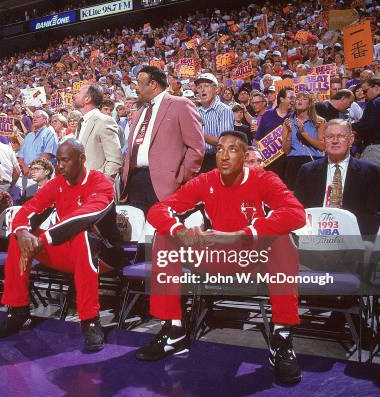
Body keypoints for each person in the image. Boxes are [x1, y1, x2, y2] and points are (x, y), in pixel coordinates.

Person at [139, 131, 306, 385]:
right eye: (219, 149)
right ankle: (174, 330)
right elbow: (158, 210)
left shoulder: (264, 179)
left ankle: (281, 337)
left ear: (245, 155)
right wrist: (182, 232)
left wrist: (246, 233)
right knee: (165, 237)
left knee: (283, 241)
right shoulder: (205, 180)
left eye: (232, 149)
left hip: (250, 258)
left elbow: (296, 214)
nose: (223, 155)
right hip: (215, 254)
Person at [0, 140, 123, 352]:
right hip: (69, 253)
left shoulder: (101, 183)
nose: (59, 166)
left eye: (65, 160)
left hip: (104, 255)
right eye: (58, 160)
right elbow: (27, 211)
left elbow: (85, 217)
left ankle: (90, 320)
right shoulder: (57, 183)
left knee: (83, 236)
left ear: (81, 159)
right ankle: (17, 311)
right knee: (20, 239)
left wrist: (42, 240)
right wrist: (23, 232)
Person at [121, 66, 204, 214]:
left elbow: (196, 147)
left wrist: (180, 177)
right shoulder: (140, 111)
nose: (135, 88)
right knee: (140, 233)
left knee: (162, 232)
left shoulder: (181, 104)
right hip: (135, 182)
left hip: (165, 184)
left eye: (139, 83)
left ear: (153, 84)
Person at [295, 119, 380, 236]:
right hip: (314, 236)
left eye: (341, 136)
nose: (335, 141)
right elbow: (299, 211)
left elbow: (373, 215)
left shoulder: (370, 172)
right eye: (330, 137)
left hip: (352, 238)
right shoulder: (307, 170)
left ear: (351, 139)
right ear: (324, 140)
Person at [73, 83, 123, 179]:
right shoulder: (81, 122)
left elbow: (115, 160)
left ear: (87, 99)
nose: (74, 95)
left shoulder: (104, 121)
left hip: (95, 187)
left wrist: (99, 184)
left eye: (78, 93)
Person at [353, 78, 380, 180]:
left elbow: (366, 126)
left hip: (377, 150)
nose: (363, 95)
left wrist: (351, 126)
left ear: (377, 88)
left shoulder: (375, 102)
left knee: (363, 183)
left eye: (365, 91)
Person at [282, 91, 326, 190]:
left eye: (304, 98)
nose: (300, 100)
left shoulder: (319, 122)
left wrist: (303, 134)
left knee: (314, 194)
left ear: (310, 103)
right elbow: (285, 150)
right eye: (298, 98)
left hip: (314, 161)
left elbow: (322, 147)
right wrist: (289, 132)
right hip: (294, 162)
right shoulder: (287, 123)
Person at [194, 73, 234, 172]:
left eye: (206, 86)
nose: (202, 89)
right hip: (198, 160)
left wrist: (199, 134)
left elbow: (225, 142)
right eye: (199, 87)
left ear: (216, 90)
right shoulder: (196, 112)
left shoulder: (224, 110)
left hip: (217, 160)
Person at [255, 88, 295, 179]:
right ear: (281, 99)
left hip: (289, 162)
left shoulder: (295, 116)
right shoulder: (267, 115)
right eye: (291, 98)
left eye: (294, 98)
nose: (293, 101)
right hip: (270, 164)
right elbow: (258, 138)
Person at [17, 110, 58, 176]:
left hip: (43, 174)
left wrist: (30, 167)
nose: (34, 119)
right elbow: (21, 156)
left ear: (45, 120)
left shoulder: (50, 134)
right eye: (33, 117)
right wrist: (24, 168)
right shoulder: (29, 136)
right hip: (26, 174)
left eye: (38, 117)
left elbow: (47, 155)